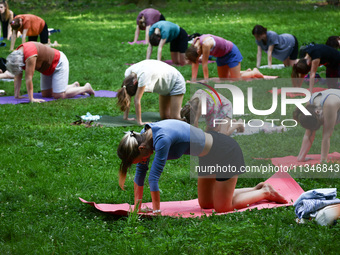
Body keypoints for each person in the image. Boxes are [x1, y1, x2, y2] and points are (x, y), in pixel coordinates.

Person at [117, 119, 288, 214]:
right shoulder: (143, 139)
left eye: (138, 160)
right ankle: (257, 187)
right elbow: (141, 173)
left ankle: (266, 192)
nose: (140, 163)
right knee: (206, 204)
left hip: (225, 152)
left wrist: (156, 212)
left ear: (140, 149)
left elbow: (153, 178)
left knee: (223, 207)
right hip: (207, 157)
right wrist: (137, 207)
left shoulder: (161, 140)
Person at [6, 42, 94, 103]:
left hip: (58, 62)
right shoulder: (16, 55)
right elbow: (18, 75)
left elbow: (28, 78)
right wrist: (16, 95)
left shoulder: (30, 56)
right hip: (46, 68)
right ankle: (73, 86)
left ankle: (86, 88)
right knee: (46, 94)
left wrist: (31, 98)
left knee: (59, 95)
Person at [117, 59, 186, 125]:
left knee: (175, 118)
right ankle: (180, 109)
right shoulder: (128, 73)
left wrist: (139, 122)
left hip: (176, 82)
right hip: (164, 86)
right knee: (165, 117)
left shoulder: (143, 75)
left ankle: (188, 114)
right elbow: (126, 92)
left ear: (135, 82)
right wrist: (125, 117)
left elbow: (137, 100)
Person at [185, 34, 263, 81]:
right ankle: (246, 71)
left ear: (198, 51)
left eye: (199, 56)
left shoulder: (206, 44)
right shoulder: (195, 43)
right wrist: (193, 80)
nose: (199, 58)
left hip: (231, 53)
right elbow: (195, 62)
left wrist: (206, 81)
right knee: (224, 79)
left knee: (235, 80)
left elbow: (204, 65)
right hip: (221, 56)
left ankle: (254, 72)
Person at [294, 89, 340, 162]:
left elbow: (326, 136)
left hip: (333, 102)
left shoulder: (330, 104)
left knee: (326, 131)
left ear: (317, 112)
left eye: (321, 122)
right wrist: (301, 157)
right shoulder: (310, 106)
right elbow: (308, 133)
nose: (323, 124)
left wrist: (323, 161)